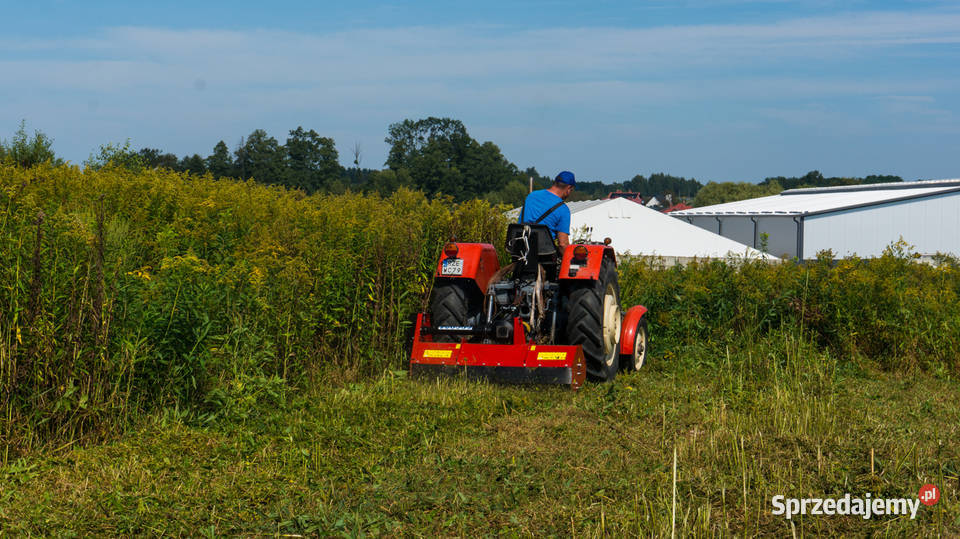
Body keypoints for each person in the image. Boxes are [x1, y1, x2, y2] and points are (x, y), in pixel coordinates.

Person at [518, 170, 575, 249]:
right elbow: (563, 244)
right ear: (569, 188)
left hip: (520, 249)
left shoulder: (531, 196)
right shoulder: (563, 209)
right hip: (544, 255)